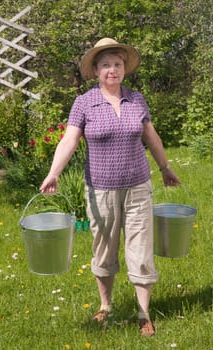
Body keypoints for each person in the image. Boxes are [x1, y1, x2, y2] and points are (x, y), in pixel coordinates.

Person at [40, 38, 180, 336]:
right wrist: (54, 173)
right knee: (104, 249)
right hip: (100, 188)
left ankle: (144, 313)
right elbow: (70, 140)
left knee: (141, 250)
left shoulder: (136, 99)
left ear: (124, 69)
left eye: (117, 64)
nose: (112, 70)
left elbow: (151, 136)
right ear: (96, 70)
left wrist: (165, 167)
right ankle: (106, 306)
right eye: (105, 65)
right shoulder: (84, 103)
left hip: (138, 187)